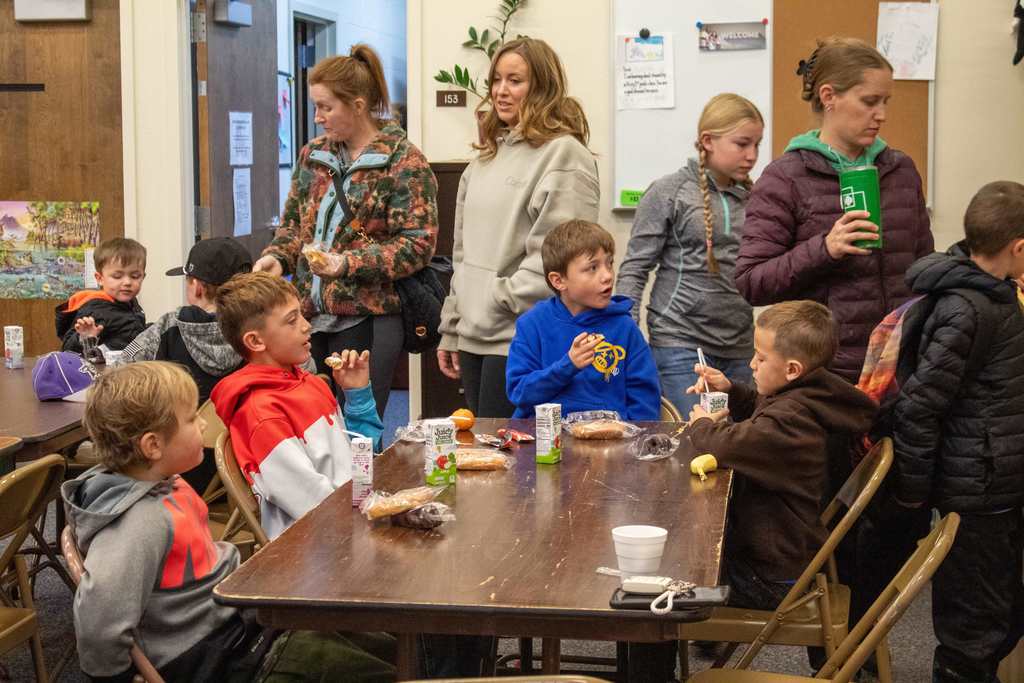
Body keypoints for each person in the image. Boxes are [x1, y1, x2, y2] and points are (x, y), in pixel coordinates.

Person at [63, 361, 396, 682]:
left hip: (241, 626)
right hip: (227, 659)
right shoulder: (137, 523)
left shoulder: (169, 485)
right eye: (192, 419)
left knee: (383, 639)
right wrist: (118, 676)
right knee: (383, 668)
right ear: (153, 445)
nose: (203, 425)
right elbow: (98, 623)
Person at [252, 43, 438, 418]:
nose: (318, 117)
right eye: (315, 106)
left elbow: (418, 245)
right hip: (307, 315)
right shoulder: (312, 155)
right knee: (311, 423)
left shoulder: (403, 160)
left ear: (357, 105)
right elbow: (292, 223)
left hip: (367, 316)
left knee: (358, 426)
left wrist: (346, 264)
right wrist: (276, 256)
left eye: (326, 107)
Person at [736, 36, 934, 383]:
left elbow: (923, 271)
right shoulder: (785, 178)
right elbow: (752, 282)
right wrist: (823, 249)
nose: (882, 115)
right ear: (829, 97)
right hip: (826, 376)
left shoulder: (901, 170)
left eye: (885, 102)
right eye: (869, 101)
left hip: (901, 370)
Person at [891, 181, 1024, 683]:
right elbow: (918, 408)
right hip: (976, 491)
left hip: (994, 483)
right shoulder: (968, 309)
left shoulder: (998, 298)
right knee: (974, 630)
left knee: (1001, 615)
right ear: (1019, 248)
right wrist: (915, 494)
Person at [437, 37, 600, 417]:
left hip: (522, 338)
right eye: (496, 80)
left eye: (515, 81)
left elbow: (563, 254)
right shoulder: (485, 158)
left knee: (519, 465)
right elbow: (462, 253)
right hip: (474, 337)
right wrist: (453, 324)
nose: (500, 91)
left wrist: (499, 299)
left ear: (542, 87)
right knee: (486, 455)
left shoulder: (563, 153)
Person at [686, 300, 877, 609]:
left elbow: (727, 444)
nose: (751, 364)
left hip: (770, 577)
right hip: (784, 559)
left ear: (792, 370)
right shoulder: (809, 396)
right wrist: (731, 390)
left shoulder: (791, 420)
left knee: (664, 583)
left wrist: (702, 424)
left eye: (760, 358)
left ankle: (657, 644)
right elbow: (764, 414)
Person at [617, 93, 764, 414]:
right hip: (679, 341)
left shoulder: (757, 198)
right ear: (707, 141)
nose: (752, 155)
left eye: (757, 145)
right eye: (742, 144)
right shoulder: (669, 191)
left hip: (740, 344)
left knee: (737, 447)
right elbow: (635, 268)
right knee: (694, 442)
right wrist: (627, 335)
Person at [210, 272, 383, 540]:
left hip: (354, 522)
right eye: (292, 321)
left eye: (302, 315)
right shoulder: (260, 414)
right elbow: (312, 503)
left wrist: (357, 397)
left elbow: (363, 461)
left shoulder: (309, 384)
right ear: (256, 341)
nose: (306, 326)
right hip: (314, 553)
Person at [121, 237, 255, 492]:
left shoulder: (166, 327)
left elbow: (123, 364)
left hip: (176, 474)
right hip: (246, 477)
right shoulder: (261, 331)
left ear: (197, 287)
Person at [506, 219, 660, 419]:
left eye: (609, 263)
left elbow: (645, 404)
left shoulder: (624, 327)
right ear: (559, 280)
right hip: (543, 442)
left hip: (609, 444)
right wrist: (568, 365)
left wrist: (627, 443)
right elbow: (520, 393)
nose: (607, 276)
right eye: (593, 268)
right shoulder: (532, 324)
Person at [55, 237, 147, 354]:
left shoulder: (130, 303)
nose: (127, 282)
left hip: (131, 367)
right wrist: (85, 338)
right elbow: (67, 349)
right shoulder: (96, 310)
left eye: (135, 276)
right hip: (105, 371)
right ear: (99, 279)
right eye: (117, 276)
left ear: (143, 277)